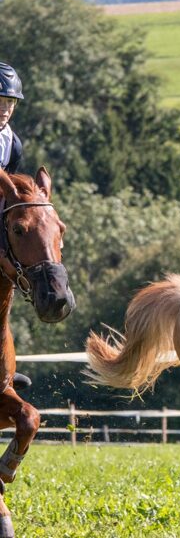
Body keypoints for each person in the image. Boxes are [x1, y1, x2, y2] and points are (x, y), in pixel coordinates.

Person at [0, 61, 31, 391]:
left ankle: (4, 365)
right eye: (0, 102)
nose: (5, 109)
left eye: (10, 102)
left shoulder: (13, 142)